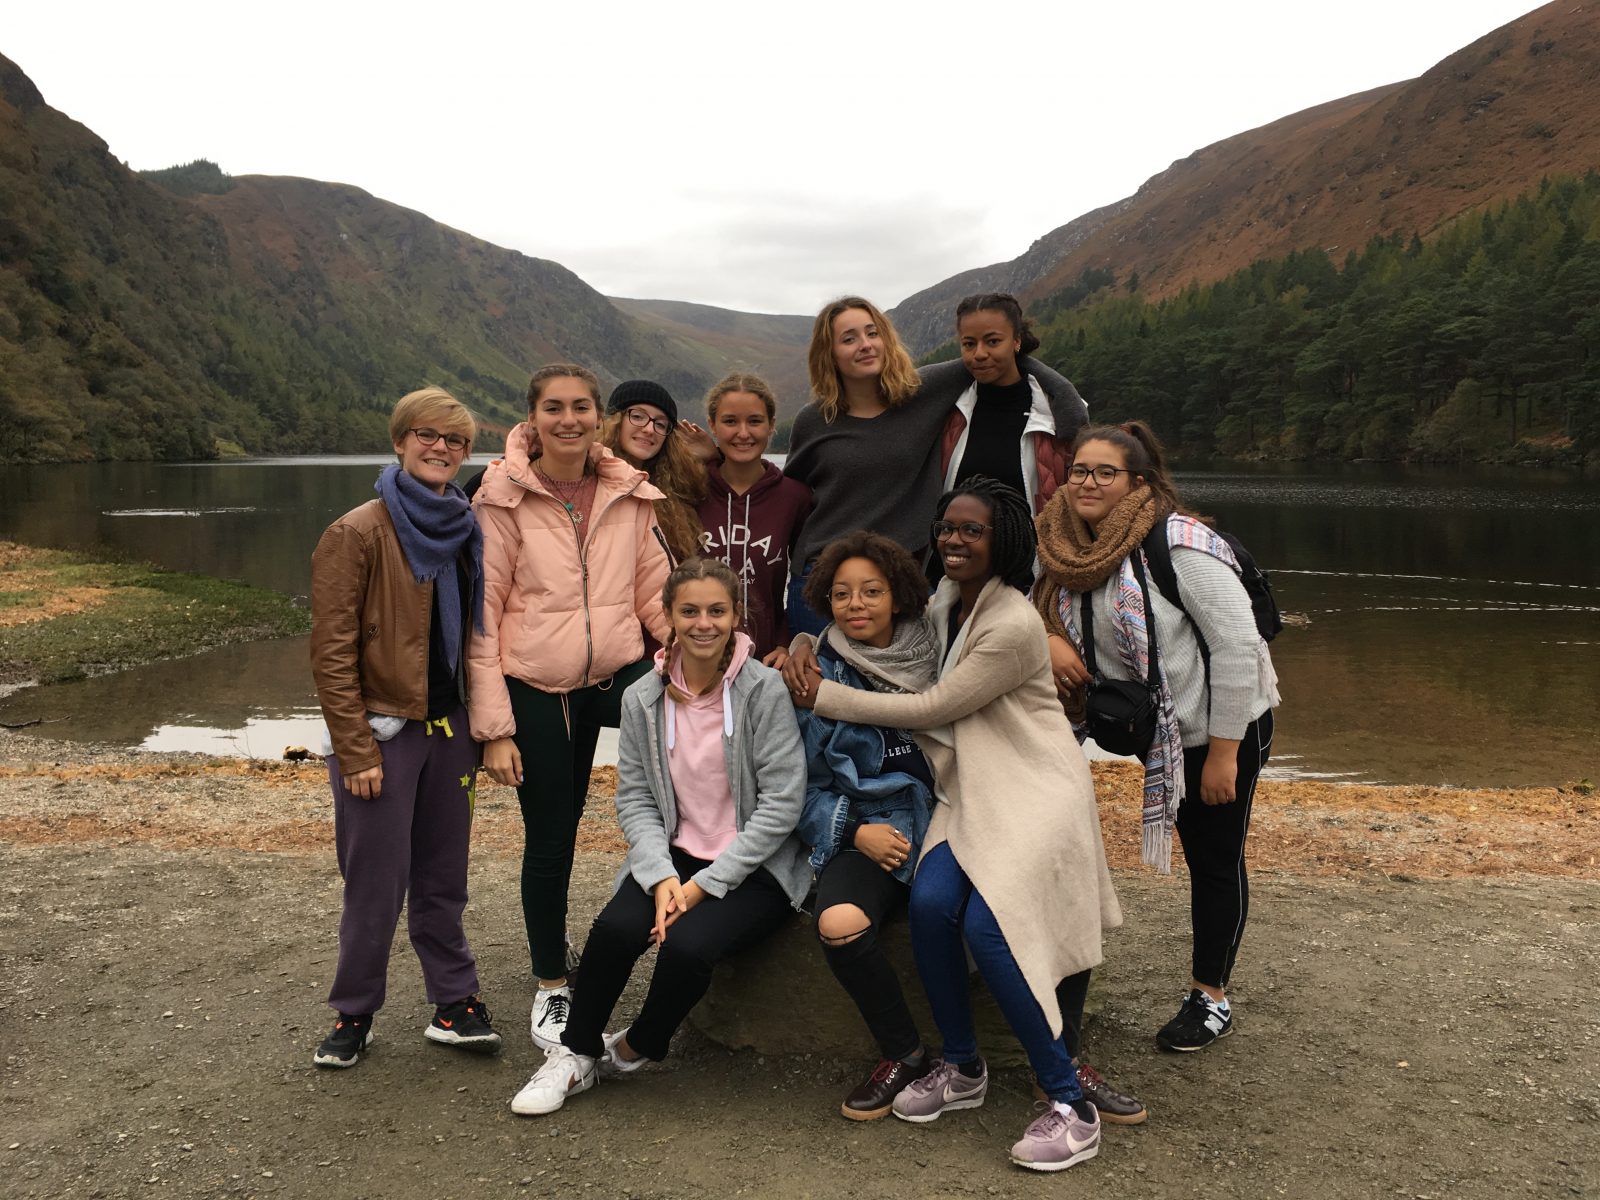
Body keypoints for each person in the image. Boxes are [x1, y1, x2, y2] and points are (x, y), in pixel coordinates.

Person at [791, 477, 1121, 1173]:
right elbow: (869, 635)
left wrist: (826, 696)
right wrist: (800, 641)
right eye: (947, 527)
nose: (954, 539)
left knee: (987, 926)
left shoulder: (1011, 623)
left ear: (1006, 539)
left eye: (972, 530)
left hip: (1033, 788)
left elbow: (933, 707)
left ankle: (1070, 1105)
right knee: (933, 903)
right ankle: (963, 1067)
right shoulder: (948, 601)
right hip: (971, 789)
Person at [509, 557, 810, 1116]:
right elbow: (636, 799)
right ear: (668, 615)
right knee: (614, 931)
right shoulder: (642, 697)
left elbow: (782, 804)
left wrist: (703, 887)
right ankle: (575, 1054)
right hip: (676, 854)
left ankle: (636, 1046)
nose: (704, 623)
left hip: (755, 863)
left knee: (688, 948)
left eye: (717, 611)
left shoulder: (763, 690)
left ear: (736, 616)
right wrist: (661, 874)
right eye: (689, 611)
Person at [1033, 421, 1279, 1053]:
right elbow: (1035, 606)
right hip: (1160, 728)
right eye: (1079, 470)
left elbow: (1237, 647)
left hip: (1222, 725)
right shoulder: (1063, 545)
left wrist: (1223, 753)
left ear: (1138, 483)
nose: (1087, 483)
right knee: (1200, 847)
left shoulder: (1179, 545)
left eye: (1105, 472)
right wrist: (1050, 637)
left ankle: (1211, 997)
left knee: (1214, 858)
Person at [468, 363, 672, 1054]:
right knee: (554, 832)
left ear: (598, 416)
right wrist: (495, 730)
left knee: (688, 749)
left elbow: (655, 594)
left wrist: (709, 665)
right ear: (531, 417)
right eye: (553, 407)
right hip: (537, 684)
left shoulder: (627, 491)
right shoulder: (501, 497)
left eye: (581, 406)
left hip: (611, 673)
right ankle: (552, 983)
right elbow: (482, 617)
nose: (569, 420)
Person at [309, 386, 501, 1068]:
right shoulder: (356, 532)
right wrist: (356, 748)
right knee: (375, 882)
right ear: (399, 441)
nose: (441, 448)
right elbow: (331, 652)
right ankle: (354, 1011)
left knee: (444, 877)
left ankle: (454, 1001)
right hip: (382, 734)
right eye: (428, 435)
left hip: (450, 729)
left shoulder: (464, 526)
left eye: (456, 441)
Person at [783, 296, 1084, 635]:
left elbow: (1002, 357)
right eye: (849, 338)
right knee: (818, 668)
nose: (865, 345)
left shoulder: (921, 392)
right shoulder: (814, 419)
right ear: (829, 353)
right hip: (825, 578)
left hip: (904, 578)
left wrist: (1067, 398)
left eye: (872, 333)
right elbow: (789, 499)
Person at [792, 531, 940, 1120]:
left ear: (898, 595)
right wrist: (853, 830)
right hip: (867, 825)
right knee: (839, 921)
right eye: (842, 593)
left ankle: (1015, 1059)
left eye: (871, 591)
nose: (856, 604)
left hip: (948, 819)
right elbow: (797, 786)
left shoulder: (943, 653)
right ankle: (904, 1053)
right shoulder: (814, 674)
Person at [695, 372, 812, 659]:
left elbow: (804, 582)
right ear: (712, 425)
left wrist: (786, 643)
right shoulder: (690, 491)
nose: (743, 433)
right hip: (696, 655)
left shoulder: (795, 497)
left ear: (771, 425)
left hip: (766, 659)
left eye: (755, 421)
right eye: (730, 421)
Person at [940, 292, 1089, 513]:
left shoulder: (1057, 414)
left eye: (993, 341)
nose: (979, 353)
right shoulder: (948, 412)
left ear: (1016, 340)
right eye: (969, 344)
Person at [600, 379, 707, 564]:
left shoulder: (673, 495)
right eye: (638, 416)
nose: (649, 429)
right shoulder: (587, 479)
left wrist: (717, 457)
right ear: (616, 421)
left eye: (660, 424)